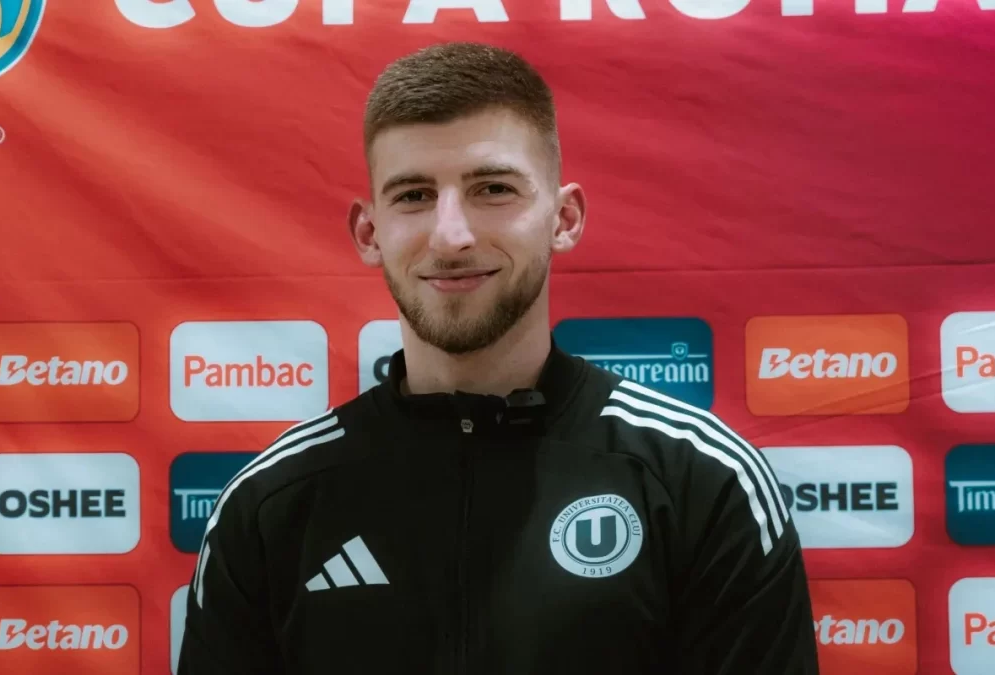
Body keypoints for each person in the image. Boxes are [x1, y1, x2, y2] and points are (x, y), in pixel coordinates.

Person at [177, 41, 820, 674]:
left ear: (563, 219)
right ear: (369, 233)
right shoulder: (270, 504)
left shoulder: (700, 481)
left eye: (492, 188)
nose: (451, 236)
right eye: (414, 196)